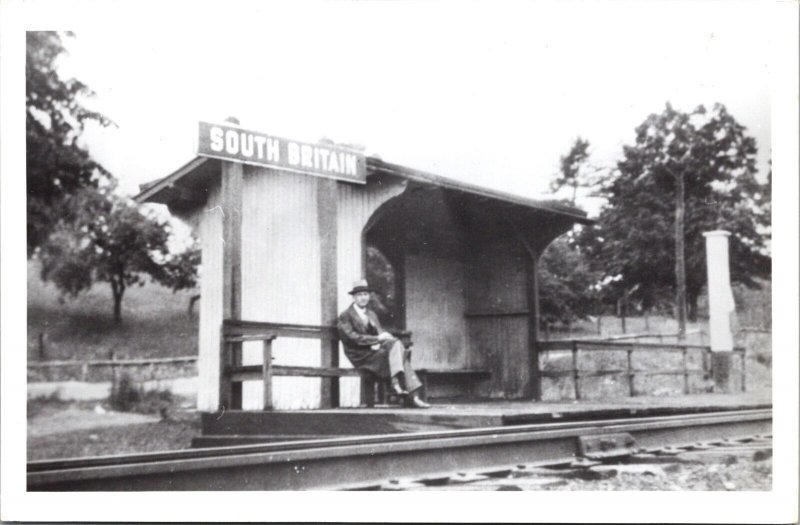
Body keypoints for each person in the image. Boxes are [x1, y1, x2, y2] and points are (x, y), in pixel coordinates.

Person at [337, 279, 430, 409]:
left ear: (369, 296)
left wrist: (384, 338)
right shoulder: (345, 315)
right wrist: (376, 340)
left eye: (365, 294)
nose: (363, 298)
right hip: (359, 354)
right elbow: (353, 338)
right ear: (353, 297)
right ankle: (412, 396)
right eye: (359, 295)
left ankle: (397, 384)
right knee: (399, 355)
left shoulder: (371, 314)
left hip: (374, 351)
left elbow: (379, 332)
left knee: (395, 344)